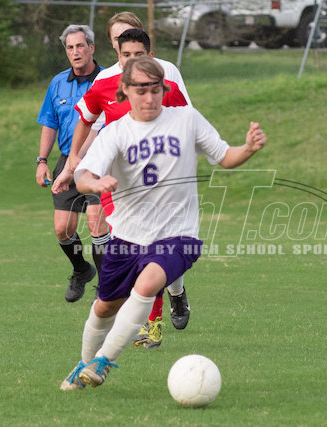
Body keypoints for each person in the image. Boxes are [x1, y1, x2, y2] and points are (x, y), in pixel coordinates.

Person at [59, 56, 266, 390]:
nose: (149, 97)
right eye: (141, 89)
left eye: (155, 89)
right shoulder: (115, 133)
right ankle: (84, 364)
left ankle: (104, 360)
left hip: (178, 235)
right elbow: (83, 176)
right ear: (125, 90)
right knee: (105, 306)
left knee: (146, 286)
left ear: (164, 89)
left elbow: (225, 156)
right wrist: (94, 183)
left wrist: (249, 148)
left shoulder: (187, 119)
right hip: (128, 237)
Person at [53, 20, 192, 348]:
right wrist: (74, 162)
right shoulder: (104, 83)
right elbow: (90, 123)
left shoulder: (167, 77)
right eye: (122, 48)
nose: (130, 57)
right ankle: (147, 319)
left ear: (148, 52)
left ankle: (172, 297)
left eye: (136, 52)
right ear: (116, 49)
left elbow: (187, 121)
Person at [36, 25, 110, 303]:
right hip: (67, 159)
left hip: (100, 161)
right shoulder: (57, 83)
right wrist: (42, 160)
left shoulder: (107, 79)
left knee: (96, 224)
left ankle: (106, 288)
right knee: (62, 229)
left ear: (91, 47)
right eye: (70, 47)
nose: (75, 52)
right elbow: (49, 122)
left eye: (80, 46)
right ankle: (81, 270)